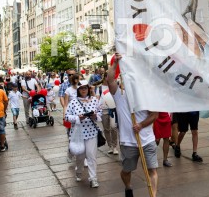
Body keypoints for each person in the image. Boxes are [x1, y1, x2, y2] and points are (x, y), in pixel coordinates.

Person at [107, 54, 159, 197]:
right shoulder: (119, 95)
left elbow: (155, 115)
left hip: (147, 140)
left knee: (152, 170)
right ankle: (128, 187)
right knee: (126, 171)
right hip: (128, 141)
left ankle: (153, 195)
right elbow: (110, 79)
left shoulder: (147, 95)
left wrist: (141, 125)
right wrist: (115, 63)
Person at [65, 83, 102, 188]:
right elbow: (67, 117)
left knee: (91, 156)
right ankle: (79, 172)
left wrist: (95, 116)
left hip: (91, 132)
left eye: (85, 88)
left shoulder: (95, 100)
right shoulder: (73, 102)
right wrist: (78, 118)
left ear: (88, 89)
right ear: (78, 90)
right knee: (80, 156)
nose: (83, 90)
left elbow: (100, 114)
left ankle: (93, 179)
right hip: (78, 134)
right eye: (81, 88)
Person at [98, 72, 119, 155]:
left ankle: (114, 146)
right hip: (104, 110)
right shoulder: (100, 88)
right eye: (110, 77)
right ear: (106, 77)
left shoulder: (115, 86)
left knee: (114, 127)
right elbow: (97, 98)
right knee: (106, 129)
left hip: (113, 109)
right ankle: (110, 146)